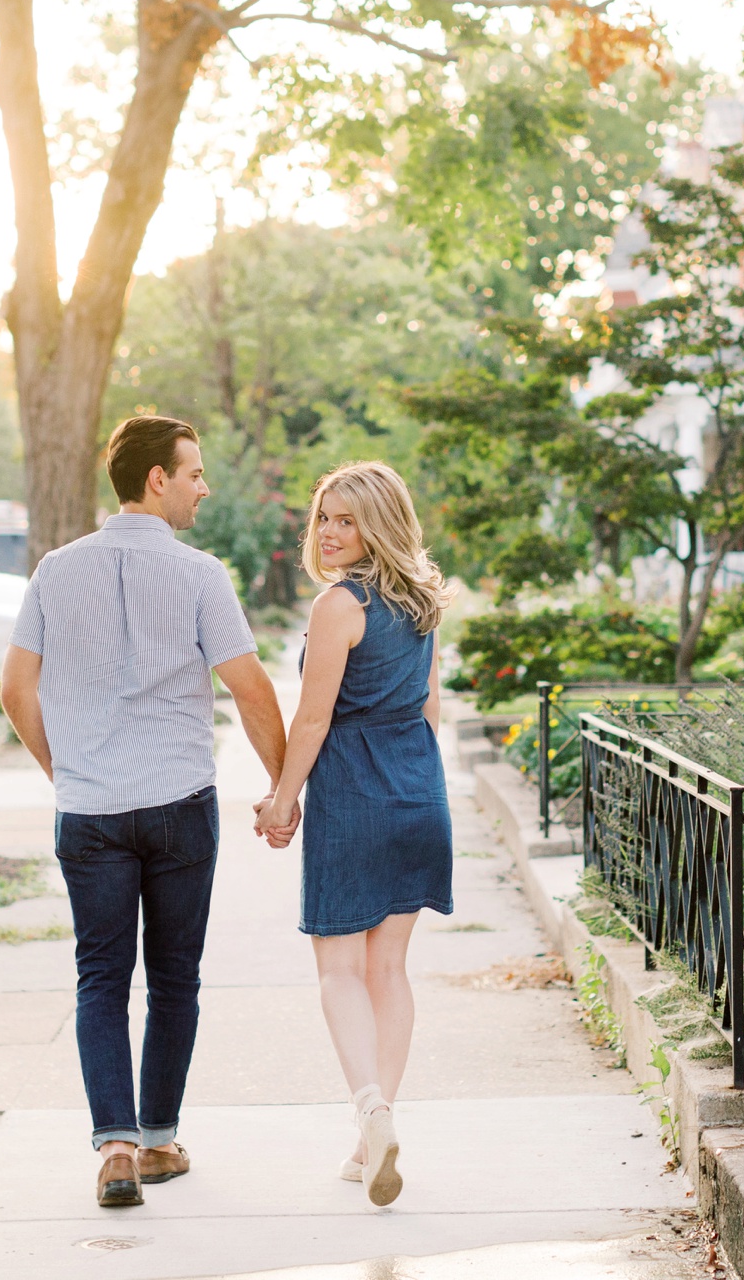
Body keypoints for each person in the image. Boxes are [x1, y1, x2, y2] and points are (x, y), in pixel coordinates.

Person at [0, 417, 288, 1209]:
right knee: (173, 980)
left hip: (89, 810)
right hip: (177, 806)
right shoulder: (201, 577)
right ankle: (159, 1140)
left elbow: (15, 689)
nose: (204, 486)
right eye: (193, 472)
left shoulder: (55, 572)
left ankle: (116, 1149)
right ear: (155, 479)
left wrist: (65, 772)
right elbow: (251, 687)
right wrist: (283, 786)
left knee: (100, 981)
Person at [253, 461, 453, 1208]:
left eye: (347, 519)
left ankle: (371, 1111)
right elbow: (430, 709)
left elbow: (313, 717)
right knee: (390, 971)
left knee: (340, 969)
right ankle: (372, 1136)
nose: (330, 532)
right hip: (417, 793)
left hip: (353, 797)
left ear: (380, 523)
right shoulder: (425, 601)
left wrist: (281, 801)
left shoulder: (341, 605)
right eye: (325, 517)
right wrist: (425, 793)